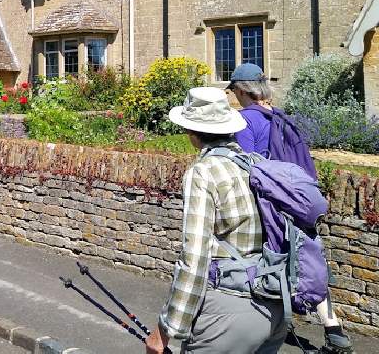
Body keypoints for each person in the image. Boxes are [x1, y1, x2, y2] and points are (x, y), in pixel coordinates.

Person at [145, 87, 286, 354]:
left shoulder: (204, 172)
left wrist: (166, 331)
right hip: (274, 307)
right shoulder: (254, 163)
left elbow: (195, 259)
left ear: (192, 132)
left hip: (228, 314)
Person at [228, 63, 353, 354]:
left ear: (243, 90)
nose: (233, 95)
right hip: (296, 199)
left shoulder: (244, 120)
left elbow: (247, 165)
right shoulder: (279, 116)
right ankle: (334, 330)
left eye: (234, 90)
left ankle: (272, 323)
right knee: (306, 259)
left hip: (270, 202)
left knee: (270, 261)